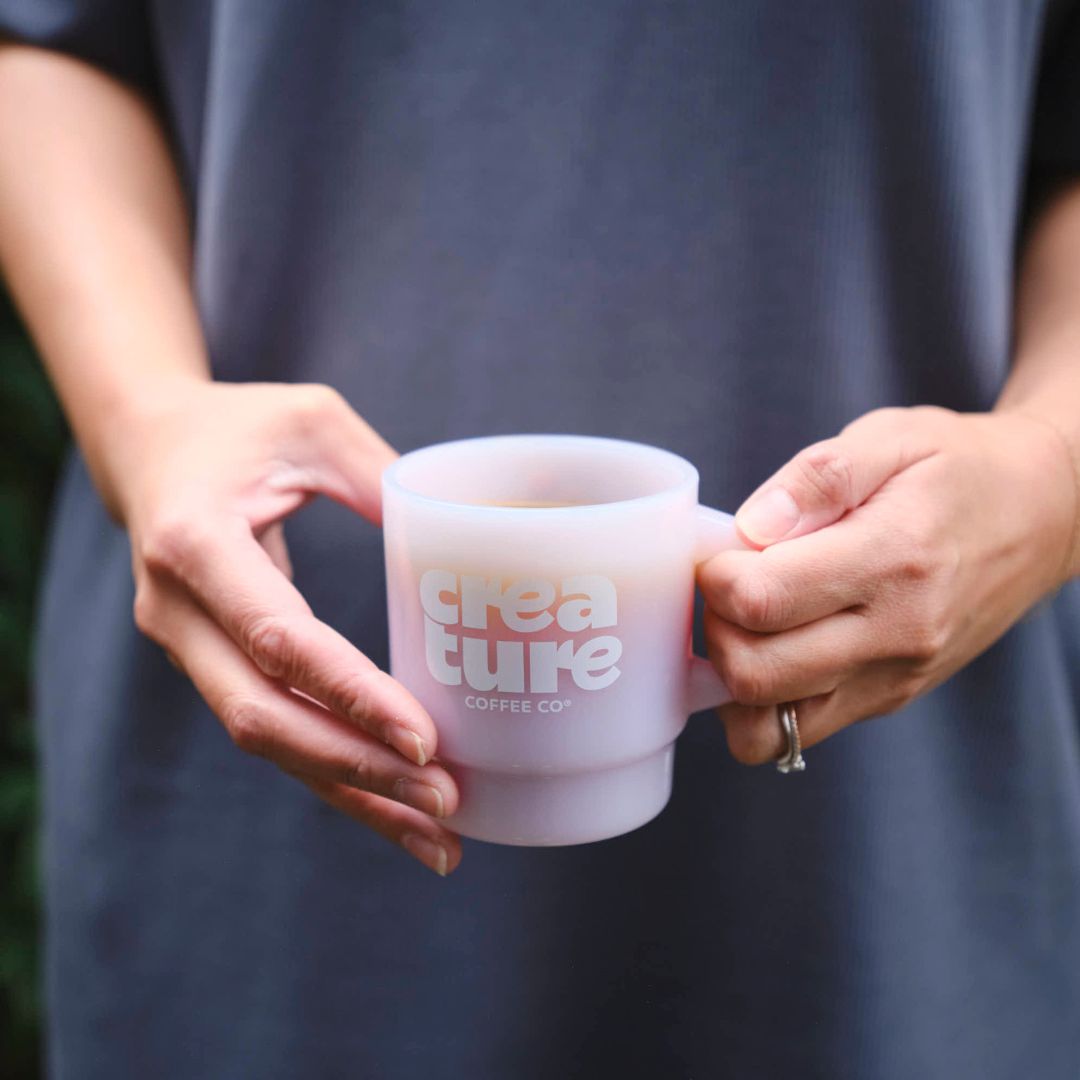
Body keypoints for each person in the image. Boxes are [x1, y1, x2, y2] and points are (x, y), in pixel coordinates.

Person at [1, 2, 1078, 1077]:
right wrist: (144, 416)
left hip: (902, 812)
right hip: (254, 796)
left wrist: (1051, 471)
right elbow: (44, 50)